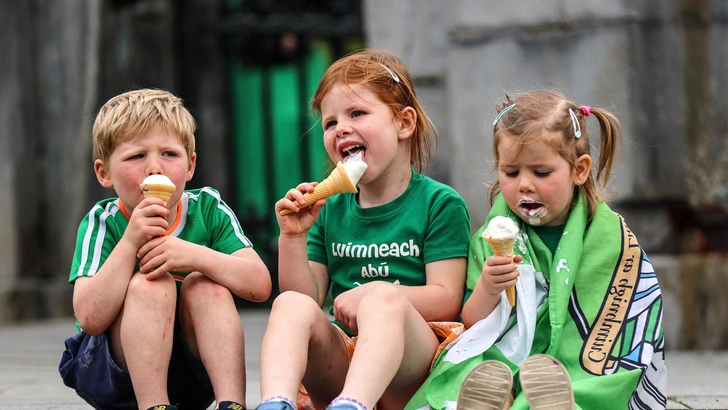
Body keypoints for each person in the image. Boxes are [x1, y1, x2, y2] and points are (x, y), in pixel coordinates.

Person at [405, 90, 667, 410]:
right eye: (511, 173)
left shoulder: (611, 238)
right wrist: (488, 287)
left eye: (541, 172)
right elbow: (472, 323)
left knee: (602, 379)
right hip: (508, 362)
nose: (524, 185)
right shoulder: (492, 237)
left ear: (579, 170)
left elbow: (627, 316)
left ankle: (561, 400)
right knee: (474, 370)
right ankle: (495, 399)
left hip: (580, 362)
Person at [256, 49, 471, 410]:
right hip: (343, 362)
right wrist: (293, 237)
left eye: (357, 113)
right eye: (330, 122)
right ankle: (275, 403)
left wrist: (373, 293)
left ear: (404, 123)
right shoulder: (330, 209)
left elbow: (447, 299)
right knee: (289, 304)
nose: (341, 128)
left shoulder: (439, 203)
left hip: (414, 369)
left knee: (383, 299)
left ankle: (354, 405)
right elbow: (307, 301)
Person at [58, 88, 272, 410]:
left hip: (193, 377)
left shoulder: (208, 209)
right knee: (151, 286)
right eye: (136, 156)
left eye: (169, 154)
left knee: (205, 286)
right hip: (113, 373)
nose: (155, 168)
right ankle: (154, 406)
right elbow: (89, 317)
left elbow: (259, 285)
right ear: (104, 173)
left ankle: (232, 403)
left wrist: (196, 256)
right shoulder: (103, 222)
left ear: (190, 166)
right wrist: (130, 242)